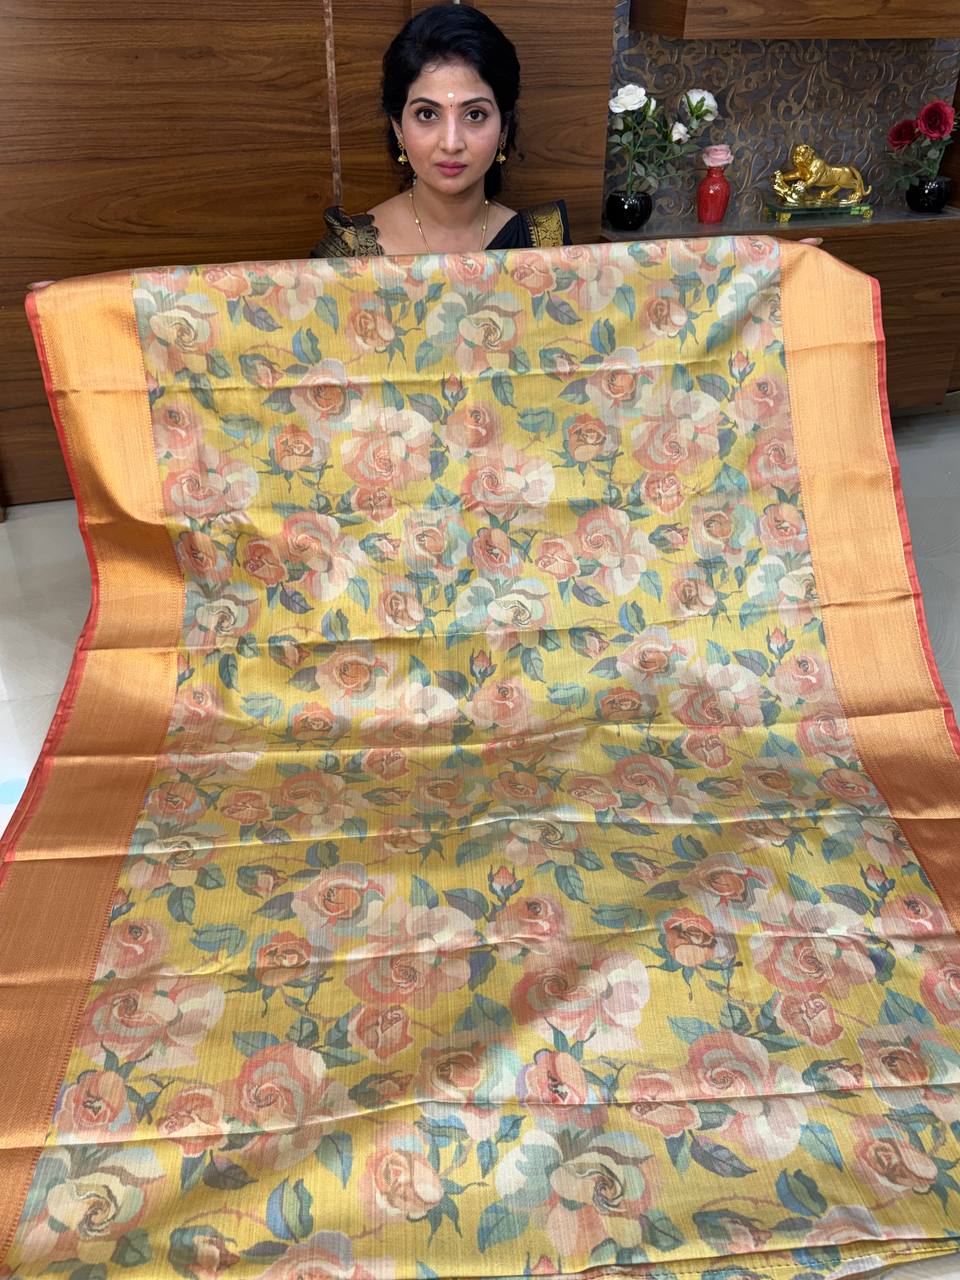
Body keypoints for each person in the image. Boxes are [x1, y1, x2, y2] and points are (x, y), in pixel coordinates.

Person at [309, 4, 571, 259]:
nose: (451, 143)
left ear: (503, 128)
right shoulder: (350, 254)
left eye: (475, 115)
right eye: (427, 114)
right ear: (398, 127)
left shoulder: (544, 248)